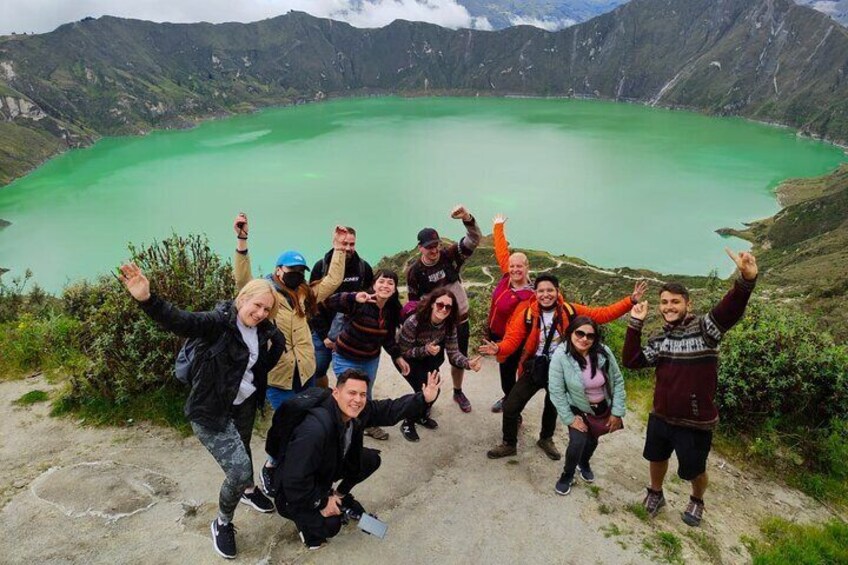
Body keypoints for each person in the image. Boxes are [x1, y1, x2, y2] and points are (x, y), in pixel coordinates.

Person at [118, 263, 286, 560]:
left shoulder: (262, 329)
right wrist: (147, 299)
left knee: (243, 451)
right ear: (242, 298)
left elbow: (258, 366)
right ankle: (222, 522)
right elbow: (181, 321)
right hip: (211, 411)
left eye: (266, 310)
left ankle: (247, 492)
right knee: (239, 470)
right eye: (257, 305)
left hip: (243, 406)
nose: (260, 313)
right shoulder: (217, 323)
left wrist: (276, 345)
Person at [623, 248, 757, 527]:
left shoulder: (706, 330)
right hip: (661, 415)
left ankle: (697, 500)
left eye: (675, 302)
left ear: (688, 304)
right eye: (664, 302)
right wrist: (635, 323)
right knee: (656, 458)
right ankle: (656, 493)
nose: (668, 307)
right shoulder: (659, 338)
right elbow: (632, 361)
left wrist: (745, 281)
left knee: (695, 469)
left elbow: (729, 310)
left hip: (695, 421)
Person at [232, 213, 348, 495]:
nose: (298, 274)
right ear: (278, 269)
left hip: (305, 372)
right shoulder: (266, 293)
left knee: (306, 421)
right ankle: (272, 467)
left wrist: (339, 248)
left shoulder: (304, 294)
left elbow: (333, 281)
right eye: (292, 269)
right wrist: (242, 241)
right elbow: (242, 280)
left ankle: (299, 467)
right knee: (286, 425)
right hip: (279, 376)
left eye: (301, 270)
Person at [480, 274, 647, 461]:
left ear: (557, 291)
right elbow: (512, 340)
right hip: (535, 367)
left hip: (560, 368)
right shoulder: (527, 314)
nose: (546, 295)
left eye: (550, 290)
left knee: (552, 407)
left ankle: (546, 439)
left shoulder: (570, 310)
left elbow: (602, 314)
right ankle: (509, 444)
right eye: (541, 291)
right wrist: (499, 348)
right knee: (511, 405)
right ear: (535, 293)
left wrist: (630, 301)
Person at [277, 368, 441, 549]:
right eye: (352, 393)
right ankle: (306, 527)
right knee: (331, 525)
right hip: (292, 493)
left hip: (328, 466)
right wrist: (323, 501)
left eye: (363, 394)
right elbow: (294, 481)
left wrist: (423, 398)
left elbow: (388, 410)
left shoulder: (356, 410)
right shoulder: (314, 430)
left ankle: (338, 496)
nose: (358, 400)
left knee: (370, 460)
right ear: (336, 393)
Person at [406, 204, 482, 413]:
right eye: (429, 246)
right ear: (420, 247)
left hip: (460, 320)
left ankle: (458, 391)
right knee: (432, 361)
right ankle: (427, 398)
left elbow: (474, 240)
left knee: (459, 358)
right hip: (435, 324)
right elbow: (413, 304)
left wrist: (467, 217)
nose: (434, 250)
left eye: (436, 245)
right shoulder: (415, 272)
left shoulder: (450, 255)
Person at [323, 269, 411, 440]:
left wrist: (397, 356)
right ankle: (338, 430)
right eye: (381, 281)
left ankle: (366, 424)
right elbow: (328, 302)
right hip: (345, 357)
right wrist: (352, 297)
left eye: (390, 283)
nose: (385, 285)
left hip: (370, 360)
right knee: (348, 394)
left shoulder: (391, 310)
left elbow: (387, 338)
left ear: (394, 289)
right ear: (374, 284)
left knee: (364, 394)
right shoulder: (360, 300)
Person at [548, 317, 626, 495]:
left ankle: (584, 462)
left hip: (601, 407)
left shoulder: (603, 352)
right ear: (571, 333)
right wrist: (569, 418)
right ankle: (567, 475)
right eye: (580, 333)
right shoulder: (561, 356)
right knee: (578, 441)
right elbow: (556, 390)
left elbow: (618, 380)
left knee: (593, 439)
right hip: (577, 405)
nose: (584, 339)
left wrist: (617, 411)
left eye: (590, 336)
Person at [397, 288, 482, 441]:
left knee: (434, 390)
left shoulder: (449, 325)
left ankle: (422, 416)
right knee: (422, 391)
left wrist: (468, 363)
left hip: (430, 357)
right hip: (409, 359)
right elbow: (403, 352)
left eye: (448, 307)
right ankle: (408, 422)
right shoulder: (414, 322)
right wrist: (425, 350)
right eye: (439, 304)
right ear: (431, 304)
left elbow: (453, 352)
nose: (443, 309)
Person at [309, 227, 374, 389]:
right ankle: (324, 399)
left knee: (351, 376)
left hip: (352, 333)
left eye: (352, 244)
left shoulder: (363, 268)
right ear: (336, 242)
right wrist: (324, 335)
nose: (348, 248)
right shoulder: (321, 267)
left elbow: (369, 301)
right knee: (317, 371)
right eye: (344, 243)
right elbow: (312, 303)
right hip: (323, 332)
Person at [486, 214, 535, 413]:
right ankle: (508, 397)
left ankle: (513, 407)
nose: (514, 269)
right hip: (496, 335)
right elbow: (501, 252)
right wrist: (498, 227)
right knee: (505, 373)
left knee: (512, 373)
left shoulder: (531, 295)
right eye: (512, 266)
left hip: (514, 340)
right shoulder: (506, 278)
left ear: (527, 268)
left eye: (519, 266)